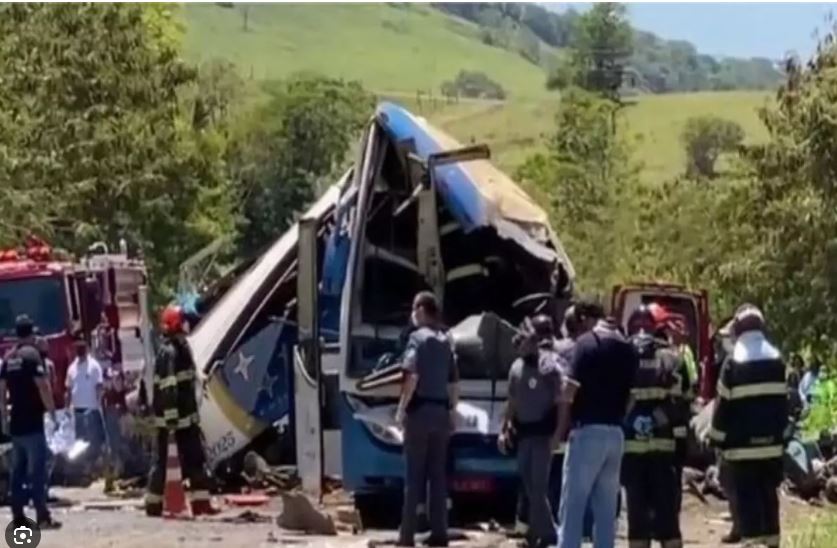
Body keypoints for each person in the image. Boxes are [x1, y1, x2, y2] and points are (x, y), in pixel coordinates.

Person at [557, 300, 638, 548]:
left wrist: (561, 430)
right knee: (605, 510)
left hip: (587, 432)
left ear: (584, 319)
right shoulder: (628, 348)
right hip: (615, 435)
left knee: (573, 505)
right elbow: (631, 397)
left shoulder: (586, 344)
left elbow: (569, 390)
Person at [709, 304, 788, 548]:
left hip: (741, 451)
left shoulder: (734, 363)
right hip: (772, 449)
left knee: (748, 503)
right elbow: (783, 405)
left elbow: (722, 407)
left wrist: (716, 439)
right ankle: (773, 542)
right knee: (769, 499)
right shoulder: (777, 360)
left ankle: (752, 542)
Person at [395, 291, 458, 547]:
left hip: (419, 413)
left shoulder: (416, 339)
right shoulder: (446, 340)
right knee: (438, 476)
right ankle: (439, 533)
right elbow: (454, 383)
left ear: (421, 310)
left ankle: (406, 536)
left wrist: (401, 409)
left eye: (413, 308)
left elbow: (412, 376)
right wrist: (452, 413)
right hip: (441, 413)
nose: (412, 314)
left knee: (413, 476)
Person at [143, 305, 218, 517]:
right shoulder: (168, 353)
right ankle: (153, 504)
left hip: (187, 419)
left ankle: (201, 504)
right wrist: (172, 422)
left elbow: (189, 376)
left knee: (196, 460)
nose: (186, 325)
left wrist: (200, 377)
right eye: (183, 321)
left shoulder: (182, 348)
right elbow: (168, 387)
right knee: (162, 462)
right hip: (173, 422)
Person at [622, 304, 683, 548]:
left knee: (636, 512)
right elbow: (681, 402)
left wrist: (632, 420)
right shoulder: (671, 357)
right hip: (663, 447)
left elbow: (616, 399)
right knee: (667, 511)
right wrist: (658, 420)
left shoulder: (621, 356)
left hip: (631, 448)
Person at [500, 315, 562, 548]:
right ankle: (540, 532)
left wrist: (557, 433)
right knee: (528, 484)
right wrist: (504, 428)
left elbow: (560, 401)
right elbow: (512, 401)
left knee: (538, 487)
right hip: (524, 434)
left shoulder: (548, 366)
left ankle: (546, 535)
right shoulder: (516, 367)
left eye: (524, 340)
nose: (519, 344)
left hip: (542, 434)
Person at [0, 315, 62, 529]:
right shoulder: (32, 356)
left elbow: (2, 391)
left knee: (17, 473)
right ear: (32, 334)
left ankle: (18, 518)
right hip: (33, 423)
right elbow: (42, 386)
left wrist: (4, 417)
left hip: (16, 424)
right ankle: (42, 517)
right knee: (37, 473)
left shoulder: (9, 358)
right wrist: (52, 411)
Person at [65, 338, 105, 473]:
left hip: (91, 409)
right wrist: (67, 408)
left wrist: (99, 404)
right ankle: (82, 469)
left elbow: (99, 386)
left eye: (82, 348)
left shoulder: (94, 366)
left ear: (87, 349)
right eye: (77, 348)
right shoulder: (71, 368)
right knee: (80, 441)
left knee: (93, 441)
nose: (80, 350)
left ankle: (93, 468)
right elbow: (68, 389)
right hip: (77, 410)